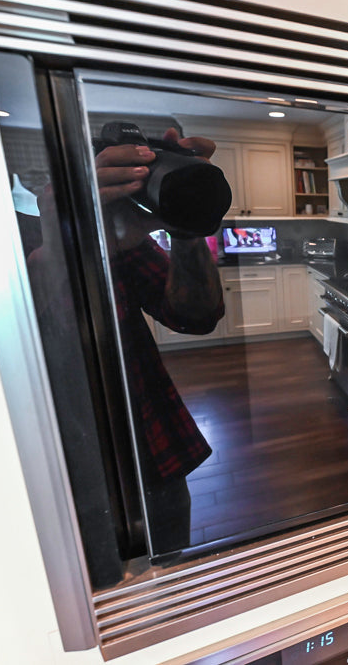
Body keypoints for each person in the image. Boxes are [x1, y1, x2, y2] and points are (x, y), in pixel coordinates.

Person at [93, 127, 224, 554]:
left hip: (153, 452)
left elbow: (196, 317)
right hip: (72, 470)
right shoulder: (23, 235)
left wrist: (188, 226)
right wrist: (76, 230)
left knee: (169, 581)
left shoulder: (126, 241)